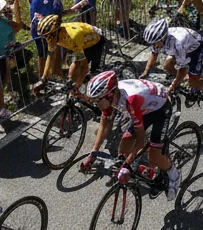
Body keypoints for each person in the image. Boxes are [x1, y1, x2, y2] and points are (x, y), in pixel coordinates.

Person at [77, 72, 181, 202]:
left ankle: (174, 174)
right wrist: (93, 153)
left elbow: (140, 140)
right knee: (124, 145)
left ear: (110, 95)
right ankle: (141, 168)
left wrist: (127, 164)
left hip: (160, 108)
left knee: (154, 155)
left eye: (99, 100)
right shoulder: (109, 97)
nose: (97, 104)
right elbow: (104, 126)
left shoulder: (130, 100)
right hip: (144, 107)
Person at [140, 18, 203, 117]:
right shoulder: (158, 40)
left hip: (194, 49)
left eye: (154, 43)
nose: (153, 45)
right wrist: (144, 74)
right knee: (167, 65)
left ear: (162, 39)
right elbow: (153, 57)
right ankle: (186, 79)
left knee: (193, 83)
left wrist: (173, 86)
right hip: (180, 49)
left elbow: (182, 70)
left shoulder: (178, 43)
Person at [35, 14, 106, 91]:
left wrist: (76, 87)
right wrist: (44, 79)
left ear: (56, 32)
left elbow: (83, 65)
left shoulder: (72, 37)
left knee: (94, 73)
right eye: (46, 37)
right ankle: (72, 86)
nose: (48, 39)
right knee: (74, 69)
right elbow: (50, 57)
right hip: (83, 42)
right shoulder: (53, 37)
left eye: (49, 36)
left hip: (97, 41)